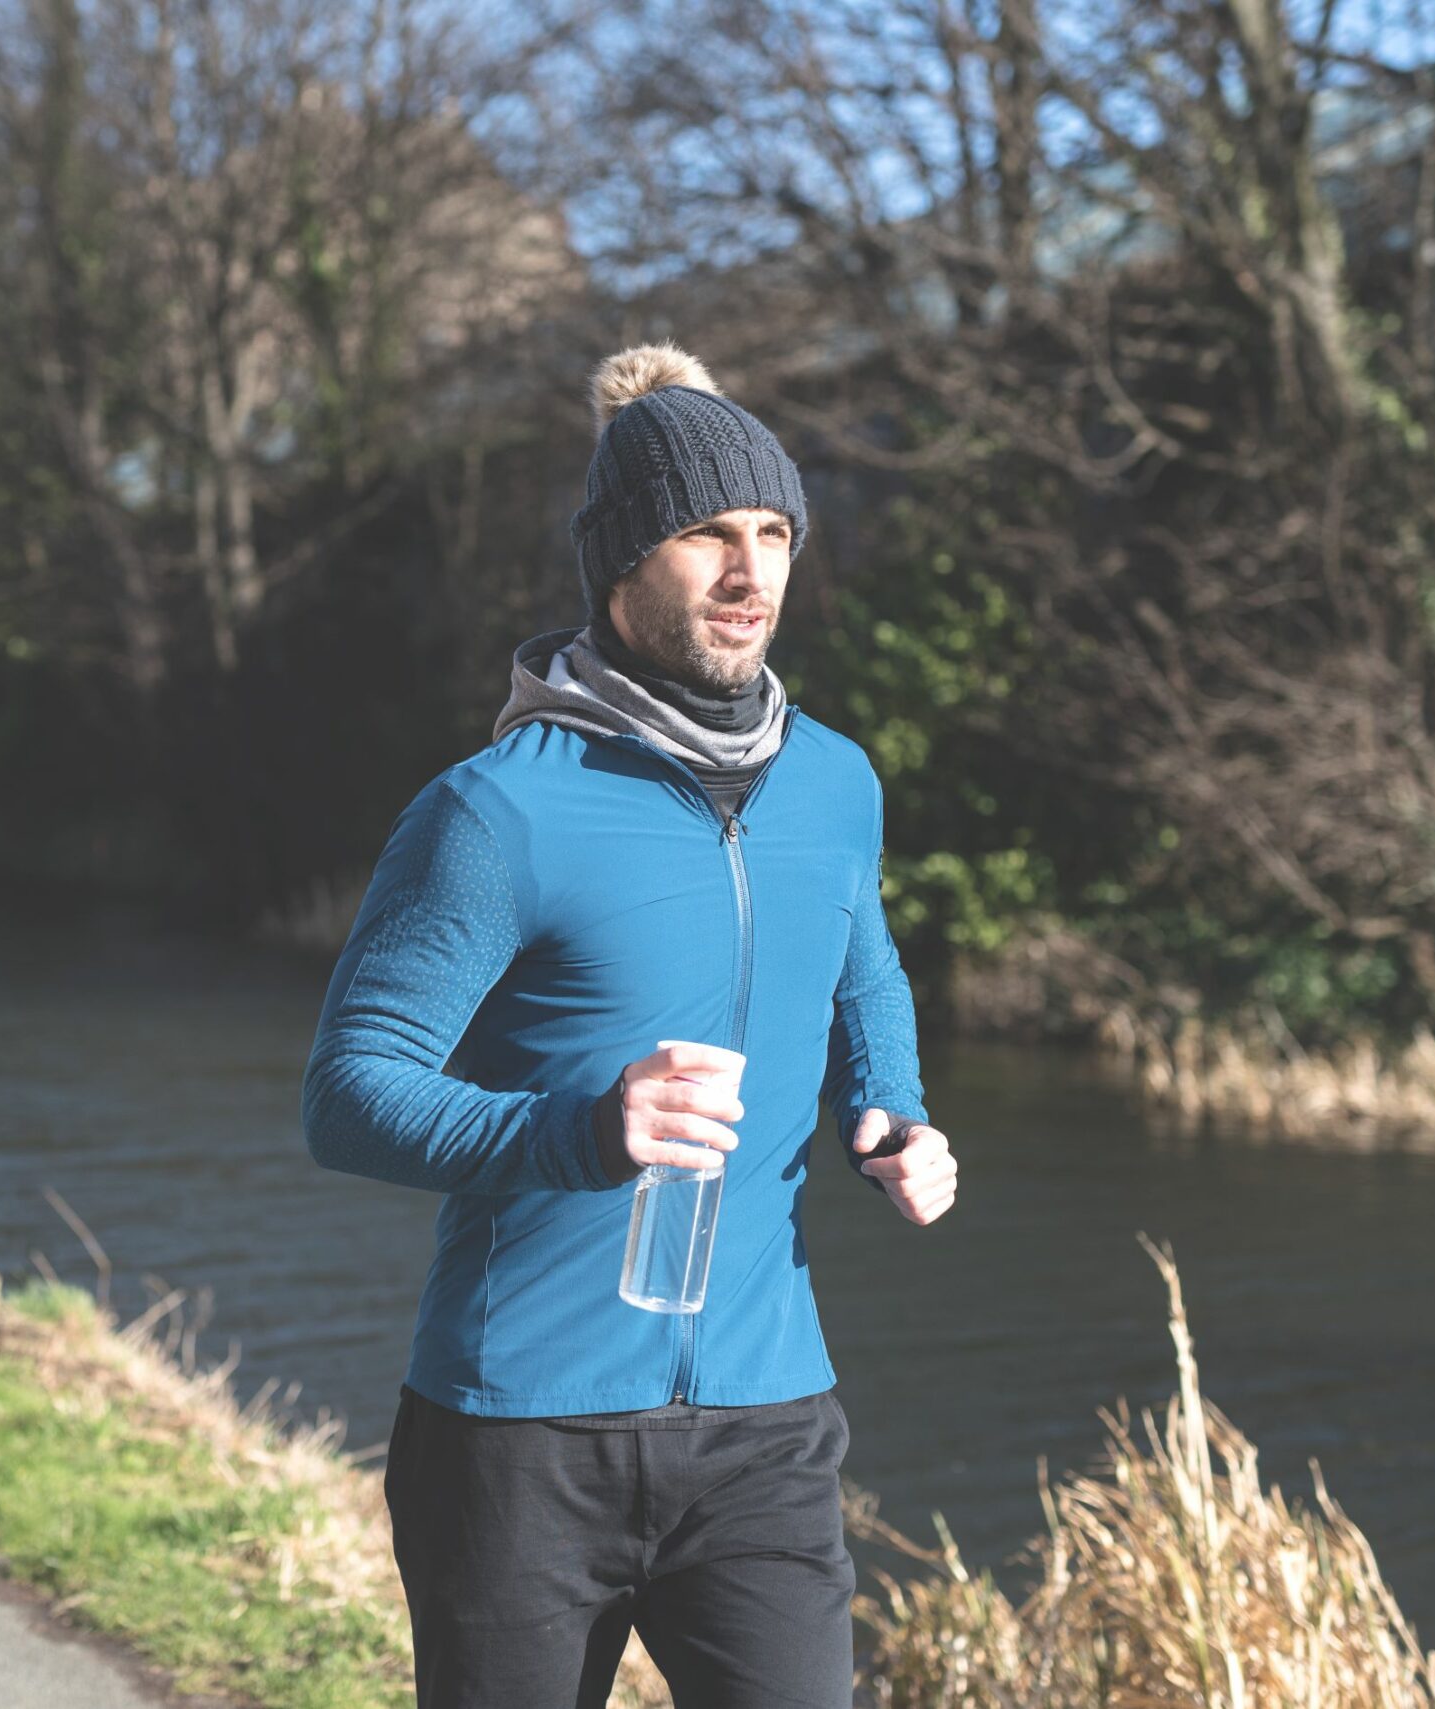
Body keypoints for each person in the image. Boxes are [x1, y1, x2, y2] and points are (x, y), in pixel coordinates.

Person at [301, 342, 960, 1708]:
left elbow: (863, 967)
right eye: (705, 534)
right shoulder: (498, 811)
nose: (750, 572)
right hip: (520, 1430)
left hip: (767, 1419)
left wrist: (888, 1105)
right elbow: (349, 1094)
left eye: (773, 532)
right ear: (616, 562)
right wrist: (583, 1132)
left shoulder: (835, 782)